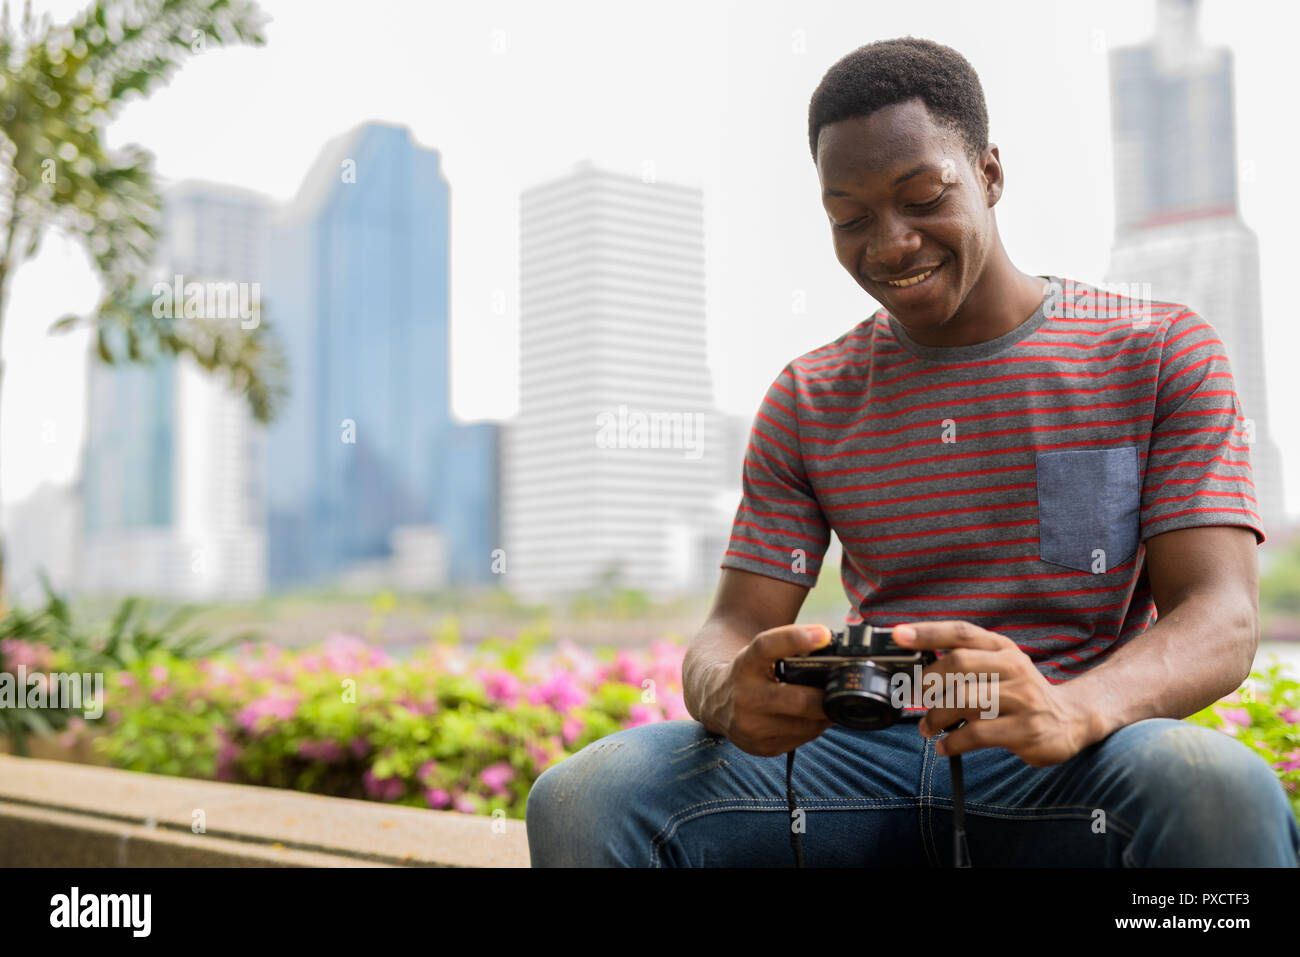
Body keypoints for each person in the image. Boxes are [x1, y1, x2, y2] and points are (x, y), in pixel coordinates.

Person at [524, 36, 1300, 867]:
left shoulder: (1157, 351)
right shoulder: (809, 396)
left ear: (991, 174)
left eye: (924, 195)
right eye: (850, 218)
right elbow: (730, 628)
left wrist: (1073, 709)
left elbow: (1222, 617)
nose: (890, 243)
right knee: (583, 795)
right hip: (856, 762)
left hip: (1069, 762)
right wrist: (729, 689)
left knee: (1216, 787)